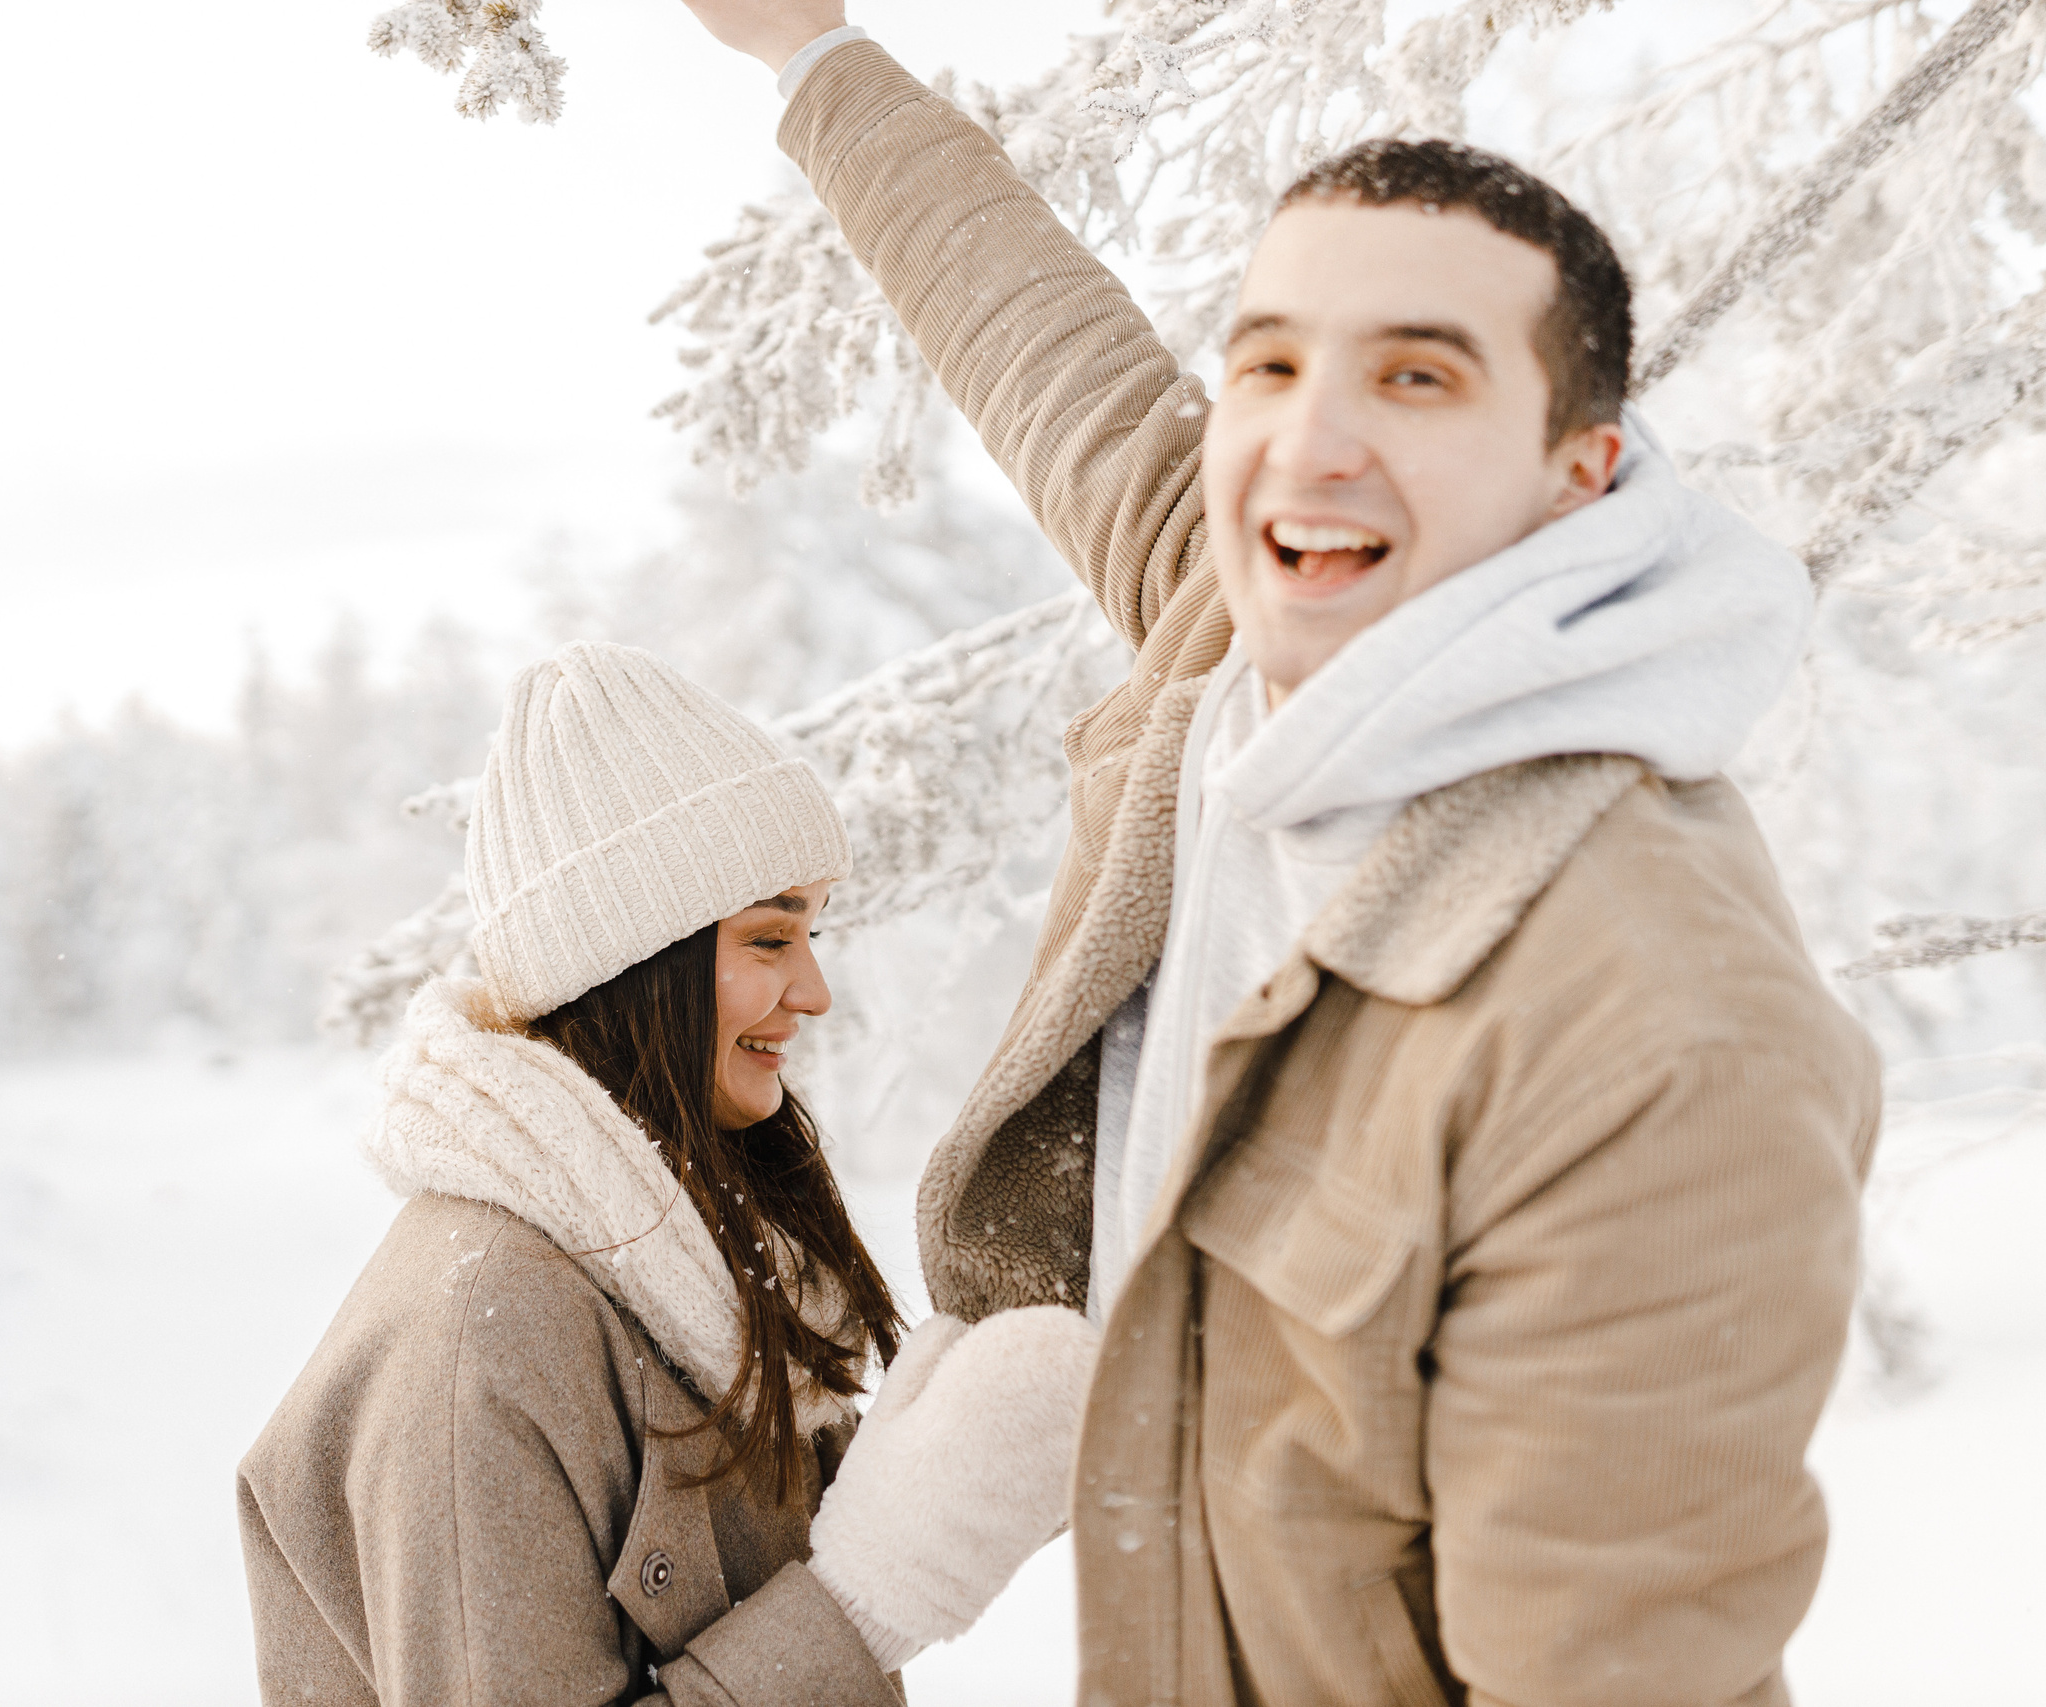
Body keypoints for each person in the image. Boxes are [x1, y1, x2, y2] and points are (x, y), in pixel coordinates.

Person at [676, 6, 1885, 1704]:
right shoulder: (1234, 641)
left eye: (1416, 374)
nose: (1307, 441)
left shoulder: (1656, 1019)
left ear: (1576, 473)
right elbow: (1040, 342)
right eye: (1269, 361)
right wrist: (811, 54)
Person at [236, 640, 1102, 1704]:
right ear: (639, 961)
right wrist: (868, 1597)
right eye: (771, 939)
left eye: (811, 933)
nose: (817, 989)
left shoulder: (660, 1266)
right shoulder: (485, 1340)